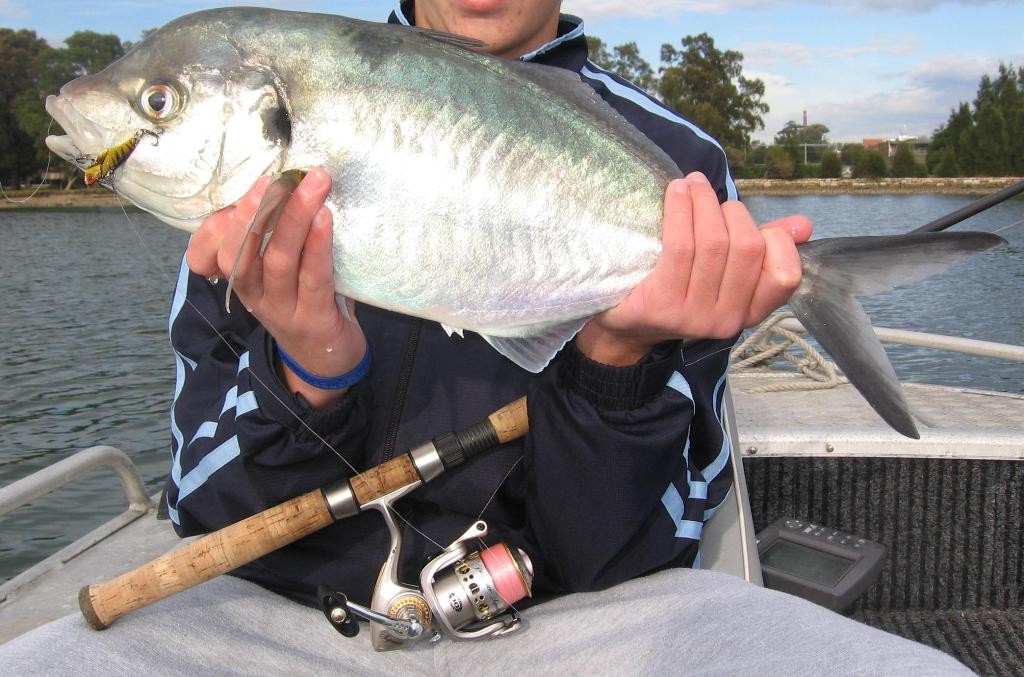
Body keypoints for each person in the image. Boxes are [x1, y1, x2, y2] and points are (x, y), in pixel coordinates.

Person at [0, 1, 971, 674]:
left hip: (583, 622)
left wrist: (615, 358)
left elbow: (632, 548)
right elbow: (210, 510)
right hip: (274, 617)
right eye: (159, 107)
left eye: (158, 106)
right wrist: (310, 370)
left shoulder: (679, 167)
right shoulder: (235, 211)